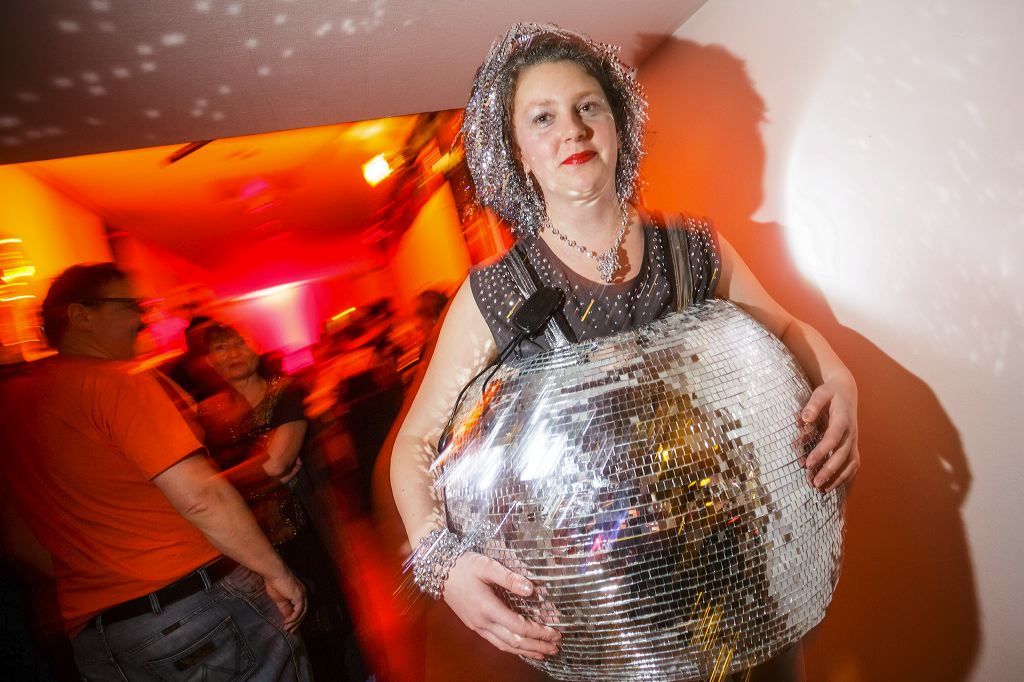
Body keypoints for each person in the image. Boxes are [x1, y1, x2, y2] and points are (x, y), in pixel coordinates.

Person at [390, 23, 860, 681]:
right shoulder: (496, 293)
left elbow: (784, 329)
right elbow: (415, 444)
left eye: (588, 106)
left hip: (748, 595)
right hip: (610, 631)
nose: (573, 131)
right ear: (519, 154)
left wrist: (839, 377)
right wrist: (443, 565)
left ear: (618, 124)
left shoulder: (692, 249)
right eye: (543, 118)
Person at [0, 263, 311, 680]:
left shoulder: (12, 408)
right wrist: (276, 572)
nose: (143, 319)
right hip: (191, 605)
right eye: (130, 306)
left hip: (98, 637)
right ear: (81, 315)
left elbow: (19, 541)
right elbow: (200, 497)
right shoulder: (114, 383)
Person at [197, 322, 368, 681]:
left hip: (301, 532)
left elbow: (277, 462)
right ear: (210, 361)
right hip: (247, 544)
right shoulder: (208, 415)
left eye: (239, 343)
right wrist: (249, 474)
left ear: (256, 348)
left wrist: (215, 484)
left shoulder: (285, 392)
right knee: (276, 640)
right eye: (221, 348)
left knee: (327, 630)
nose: (233, 354)